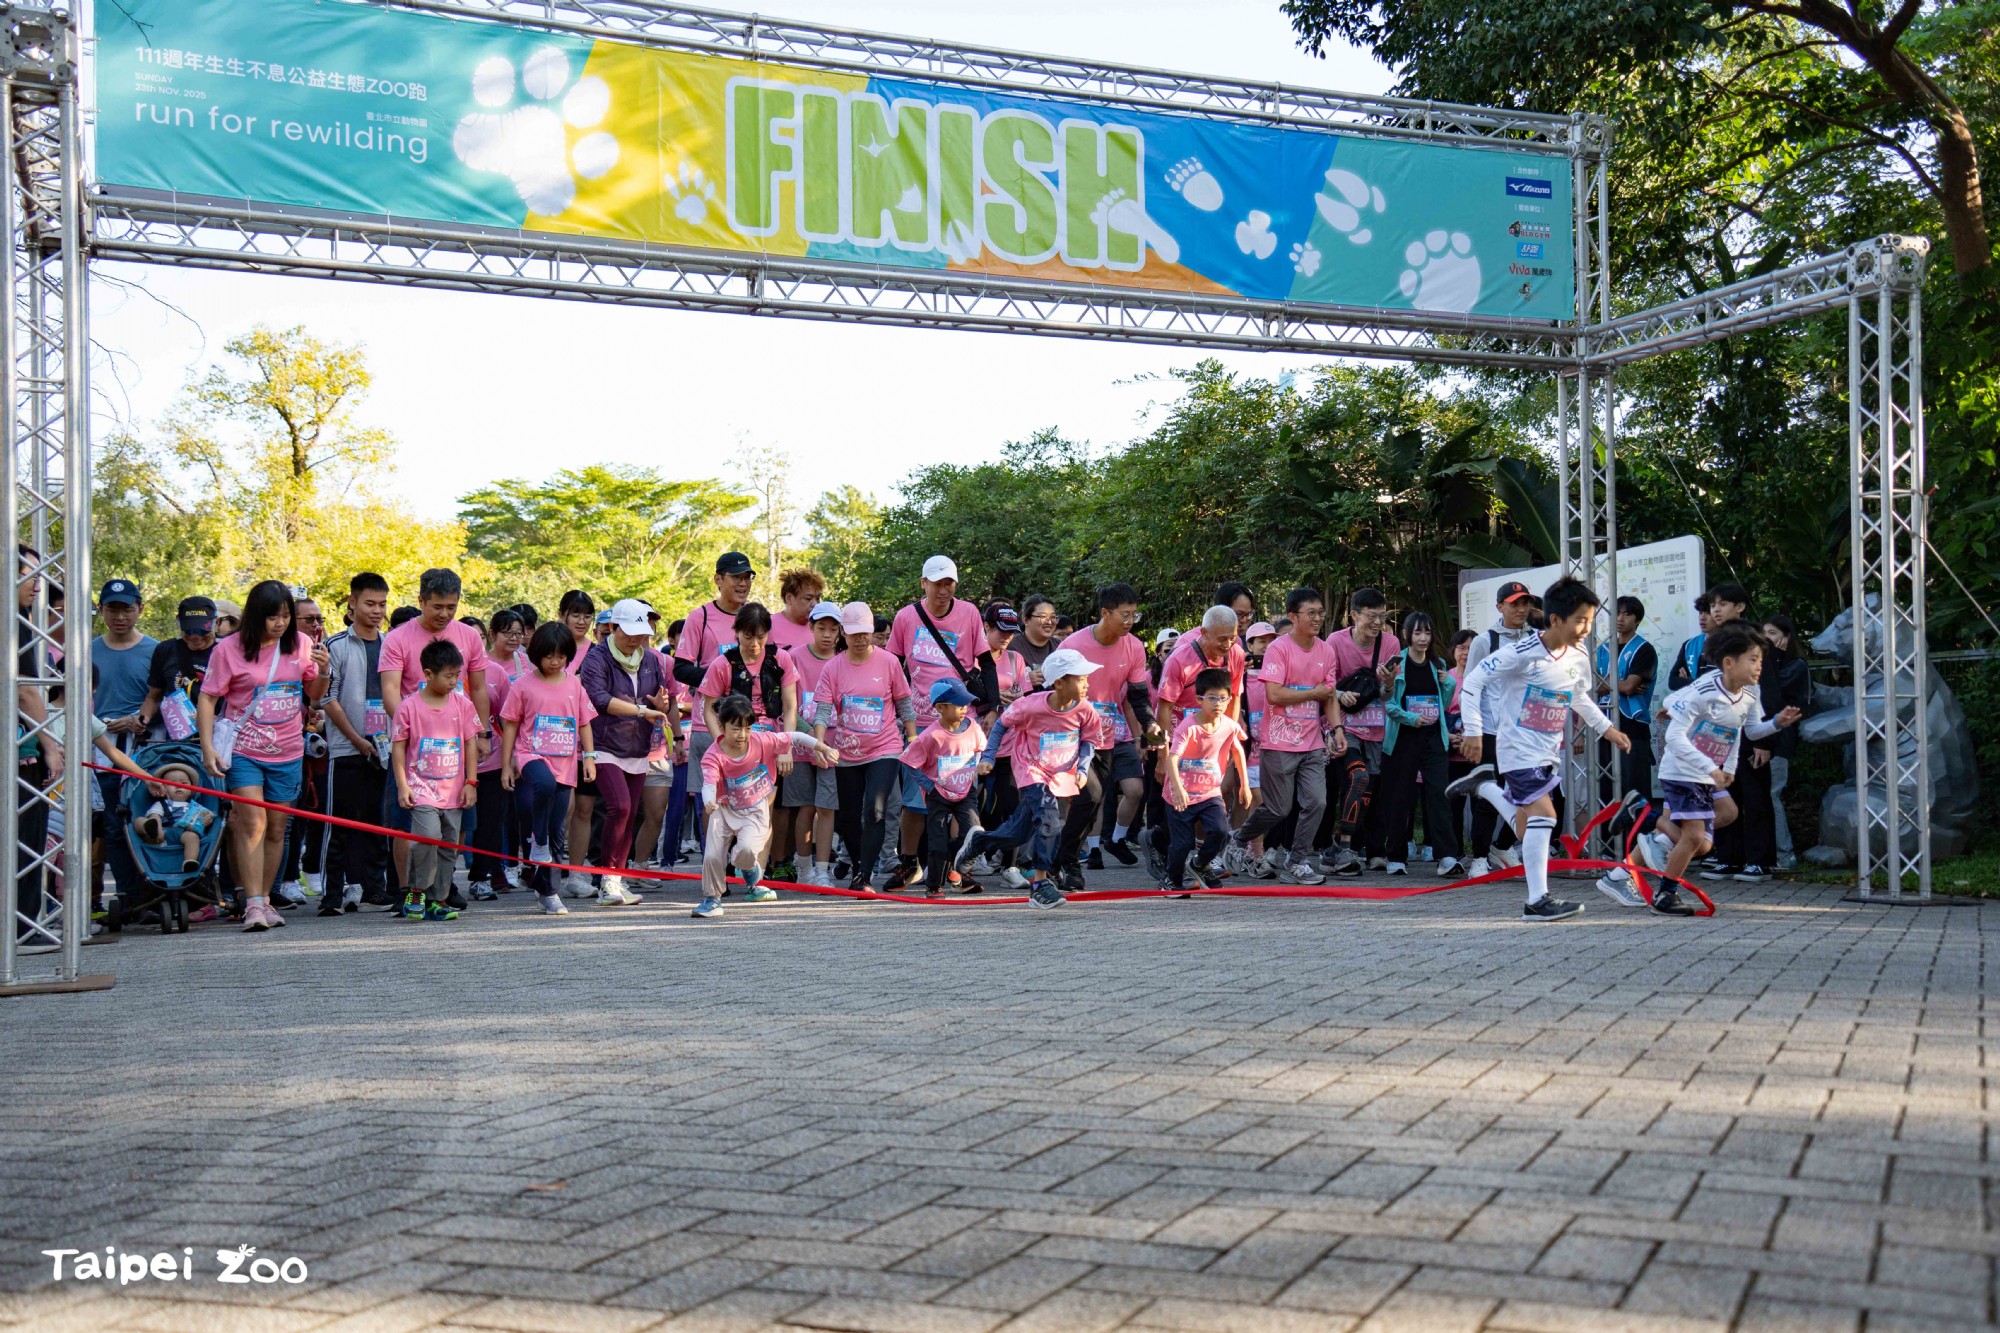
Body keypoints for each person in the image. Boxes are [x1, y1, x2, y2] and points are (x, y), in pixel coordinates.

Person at [1449, 576, 1630, 923]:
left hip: (1548, 752)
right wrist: (1473, 730)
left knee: (1525, 829)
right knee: (1546, 816)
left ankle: (1485, 787)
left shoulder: (1579, 656)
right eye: (1580, 620)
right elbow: (1472, 683)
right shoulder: (1519, 653)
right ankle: (1537, 901)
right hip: (1516, 750)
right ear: (1555, 619)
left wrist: (1607, 729)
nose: (1586, 629)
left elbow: (1579, 697)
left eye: (1590, 621)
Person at [1635, 621, 1800, 914]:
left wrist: (1777, 723)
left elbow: (1748, 732)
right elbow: (1674, 735)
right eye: (1753, 660)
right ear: (1728, 662)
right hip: (1683, 770)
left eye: (1761, 661)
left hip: (1708, 772)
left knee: (1725, 817)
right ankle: (1665, 895)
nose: (1759, 667)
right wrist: (1710, 767)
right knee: (1694, 838)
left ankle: (1646, 818)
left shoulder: (1750, 692)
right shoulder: (1704, 691)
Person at [197, 579, 329, 932]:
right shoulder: (228, 649)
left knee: (277, 827)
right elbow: (208, 698)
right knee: (252, 823)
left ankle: (266, 899)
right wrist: (208, 747)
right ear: (255, 616)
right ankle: (252, 902)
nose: (280, 623)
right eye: (272, 617)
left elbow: (314, 694)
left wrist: (324, 670)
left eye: (285, 616)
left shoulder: (301, 644)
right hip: (244, 750)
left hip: (288, 750)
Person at [955, 647, 1110, 909]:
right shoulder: (1030, 706)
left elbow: (1088, 742)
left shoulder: (1086, 710)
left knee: (1017, 834)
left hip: (1061, 775)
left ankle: (979, 842)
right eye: (1081, 679)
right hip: (1032, 771)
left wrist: (1083, 770)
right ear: (1059, 683)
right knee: (1049, 819)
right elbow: (1002, 724)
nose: (1087, 684)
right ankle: (1040, 885)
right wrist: (989, 757)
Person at [379, 569, 492, 902]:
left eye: (451, 607)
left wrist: (482, 733)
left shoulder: (469, 637)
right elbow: (390, 691)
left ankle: (443, 887)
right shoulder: (398, 638)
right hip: (414, 747)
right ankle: (408, 890)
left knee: (455, 821)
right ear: (421, 601)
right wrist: (411, 732)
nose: (444, 614)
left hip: (454, 748)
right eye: (437, 606)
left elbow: (479, 688)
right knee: (408, 823)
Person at [885, 556, 996, 883]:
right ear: (924, 583)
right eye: (937, 583)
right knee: (914, 799)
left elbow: (987, 662)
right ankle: (909, 863)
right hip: (920, 721)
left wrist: (991, 707)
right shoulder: (906, 617)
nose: (943, 589)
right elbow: (892, 666)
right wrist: (894, 710)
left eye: (949, 583)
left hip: (961, 721)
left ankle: (957, 867)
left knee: (960, 796)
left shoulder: (969, 613)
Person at [1227, 588, 1345, 884]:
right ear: (1293, 616)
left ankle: (1297, 861)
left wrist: (1337, 729)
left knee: (1317, 802)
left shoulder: (1326, 651)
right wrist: (1314, 692)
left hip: (1313, 743)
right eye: (1311, 613)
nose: (1318, 618)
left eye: (1320, 612)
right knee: (1278, 808)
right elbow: (1274, 694)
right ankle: (1238, 838)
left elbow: (1329, 696)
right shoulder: (1279, 649)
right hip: (1279, 742)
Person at [693, 694, 840, 918]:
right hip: (723, 808)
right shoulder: (713, 755)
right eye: (735, 729)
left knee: (746, 852)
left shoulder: (762, 741)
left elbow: (796, 736)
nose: (742, 735)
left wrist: (822, 748)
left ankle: (750, 870)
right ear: (721, 727)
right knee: (713, 856)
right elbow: (709, 782)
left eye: (747, 728)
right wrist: (709, 800)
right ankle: (712, 899)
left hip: (754, 809)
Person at [1056, 583, 1159, 884]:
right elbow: (1054, 692)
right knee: (1091, 796)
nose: (1130, 621)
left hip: (1115, 732)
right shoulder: (1073, 645)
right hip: (1076, 734)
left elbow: (1138, 696)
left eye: (1134, 615)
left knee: (1125, 792)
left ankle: (1078, 855)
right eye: (1124, 615)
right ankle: (1073, 858)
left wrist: (1150, 728)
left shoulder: (1134, 646)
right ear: (1105, 613)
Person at [812, 602, 918, 891]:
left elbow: (904, 704)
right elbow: (823, 710)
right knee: (848, 816)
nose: (860, 639)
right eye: (853, 634)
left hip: (885, 747)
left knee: (875, 810)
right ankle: (859, 865)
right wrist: (819, 743)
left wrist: (912, 740)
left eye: (865, 633)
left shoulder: (889, 662)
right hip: (847, 752)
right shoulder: (833, 667)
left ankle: (865, 875)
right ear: (843, 633)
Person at [579, 599, 676, 907]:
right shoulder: (596, 658)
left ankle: (618, 880)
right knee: (619, 807)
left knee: (632, 814)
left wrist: (660, 705)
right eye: (630, 633)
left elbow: (658, 700)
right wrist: (642, 710)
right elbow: (598, 699)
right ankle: (607, 879)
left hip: (638, 746)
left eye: (642, 633)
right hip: (603, 745)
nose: (636, 639)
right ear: (613, 627)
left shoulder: (651, 660)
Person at [500, 622, 598, 916]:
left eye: (561, 656)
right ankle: (538, 843)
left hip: (565, 762)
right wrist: (506, 765)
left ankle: (548, 892)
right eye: (548, 656)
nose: (555, 662)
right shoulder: (522, 685)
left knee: (558, 829)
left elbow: (584, 722)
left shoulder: (574, 684)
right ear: (536, 654)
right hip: (530, 756)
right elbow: (510, 725)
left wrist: (589, 757)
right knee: (544, 785)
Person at [699, 602, 801, 870]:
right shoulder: (723, 664)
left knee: (763, 810)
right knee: (724, 808)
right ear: (736, 632)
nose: (754, 644)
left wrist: (786, 748)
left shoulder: (781, 660)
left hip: (768, 744)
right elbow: (708, 708)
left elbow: (790, 707)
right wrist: (721, 745)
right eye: (747, 636)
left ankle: (757, 875)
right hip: (732, 744)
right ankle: (718, 866)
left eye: (761, 637)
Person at [390, 640, 483, 922]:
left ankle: (438, 898)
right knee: (427, 837)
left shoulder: (463, 705)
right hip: (421, 790)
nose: (454, 681)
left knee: (449, 845)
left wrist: (471, 782)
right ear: (428, 674)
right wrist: (402, 785)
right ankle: (416, 890)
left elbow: (470, 743)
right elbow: (398, 747)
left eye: (457, 675)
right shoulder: (408, 707)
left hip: (454, 791)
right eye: (448, 676)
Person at [319, 574, 393, 913]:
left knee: (380, 821)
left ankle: (375, 888)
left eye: (382, 604)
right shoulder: (335, 645)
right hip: (347, 748)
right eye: (369, 603)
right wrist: (356, 739)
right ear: (352, 602)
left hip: (385, 748)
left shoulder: (391, 644)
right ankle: (332, 893)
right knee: (340, 823)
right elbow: (327, 698)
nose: (376, 611)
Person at [1459, 581, 1536, 878]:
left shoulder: (1536, 639)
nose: (1521, 609)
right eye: (1514, 603)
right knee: (1489, 798)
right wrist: (1473, 730)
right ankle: (1479, 858)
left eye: (1524, 603)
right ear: (1500, 606)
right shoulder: (1485, 641)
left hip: (1526, 732)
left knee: (1533, 795)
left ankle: (1502, 846)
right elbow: (1471, 687)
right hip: (1491, 731)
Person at [88, 579, 157, 910]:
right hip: (100, 752)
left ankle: (154, 895)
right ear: (100, 610)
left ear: (140, 609)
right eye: (112, 609)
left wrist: (138, 719)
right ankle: (128, 899)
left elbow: (165, 698)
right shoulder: (86, 651)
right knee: (113, 827)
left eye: (127, 609)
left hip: (145, 749)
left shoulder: (155, 650)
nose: (119, 617)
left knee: (149, 821)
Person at [1376, 611, 1459, 877]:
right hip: (1402, 740)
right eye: (1417, 633)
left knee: (1439, 796)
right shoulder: (1396, 664)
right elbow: (1389, 706)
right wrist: (1412, 718)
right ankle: (1396, 856)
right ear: (1406, 635)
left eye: (1427, 633)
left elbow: (1442, 705)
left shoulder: (1438, 663)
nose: (1423, 638)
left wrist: (1449, 685)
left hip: (1434, 740)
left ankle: (1446, 856)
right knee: (1400, 798)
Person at [1327, 587, 1402, 871]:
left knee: (1369, 791)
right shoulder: (1335, 641)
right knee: (1357, 778)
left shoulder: (1391, 643)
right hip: (1343, 726)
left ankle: (1338, 846)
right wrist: (1339, 694)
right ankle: (1346, 849)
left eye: (1382, 616)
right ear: (1354, 616)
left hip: (1378, 730)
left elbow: (1386, 695)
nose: (1377, 622)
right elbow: (1324, 685)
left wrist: (1389, 683)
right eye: (1371, 616)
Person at [1163, 667, 1255, 894]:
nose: (1218, 704)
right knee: (1183, 843)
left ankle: (1200, 864)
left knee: (1220, 831)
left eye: (1223, 698)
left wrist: (1244, 785)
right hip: (1181, 794)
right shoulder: (1189, 727)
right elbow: (1172, 758)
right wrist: (1177, 788)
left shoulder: (1229, 726)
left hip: (1209, 793)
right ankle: (1171, 880)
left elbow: (1237, 751)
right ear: (1199, 699)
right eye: (1212, 698)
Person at [899, 680, 988, 897]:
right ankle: (934, 885)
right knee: (937, 842)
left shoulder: (974, 728)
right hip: (938, 794)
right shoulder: (931, 735)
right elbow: (909, 762)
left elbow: (981, 750)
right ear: (940, 707)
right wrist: (929, 787)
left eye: (966, 703)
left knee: (973, 834)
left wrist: (979, 767)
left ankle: (959, 873)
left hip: (965, 792)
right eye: (958, 704)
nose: (964, 708)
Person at [469, 608, 530, 899]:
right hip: (454, 761)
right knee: (457, 825)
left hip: (492, 759)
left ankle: (483, 876)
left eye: (519, 633)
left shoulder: (496, 673)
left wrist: (512, 757)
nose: (514, 638)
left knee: (491, 821)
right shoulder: (447, 671)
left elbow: (509, 720)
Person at [784, 601, 844, 887]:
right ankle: (804, 868)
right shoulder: (794, 658)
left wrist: (824, 745)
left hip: (834, 746)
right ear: (811, 627)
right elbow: (788, 706)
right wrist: (812, 740)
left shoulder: (844, 659)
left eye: (833, 629)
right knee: (805, 807)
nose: (827, 635)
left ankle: (822, 870)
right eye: (821, 628)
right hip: (800, 744)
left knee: (827, 807)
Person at [973, 603, 1030, 885]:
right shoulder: (972, 658)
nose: (1006, 637)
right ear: (986, 627)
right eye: (1001, 631)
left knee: (1012, 804)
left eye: (1011, 632)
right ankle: (972, 855)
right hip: (976, 744)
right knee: (977, 803)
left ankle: (1010, 865)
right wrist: (992, 700)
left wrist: (1013, 699)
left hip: (1010, 744)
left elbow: (1026, 696)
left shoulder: (1015, 659)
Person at [1755, 615, 1811, 871]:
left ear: (1786, 638)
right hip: (1763, 735)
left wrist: (1772, 659)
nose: (1767, 639)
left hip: (1781, 740)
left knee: (1772, 793)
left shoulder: (1796, 666)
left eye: (1772, 633)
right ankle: (1767, 853)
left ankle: (1784, 855)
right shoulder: (1770, 663)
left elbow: (1771, 689)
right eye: (1763, 634)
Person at [1596, 595, 1657, 806]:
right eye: (1617, 613)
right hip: (1604, 726)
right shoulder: (1602, 649)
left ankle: (1641, 829)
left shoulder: (1644, 649)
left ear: (1637, 619)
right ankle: (1609, 830)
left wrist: (1606, 683)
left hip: (1632, 727)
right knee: (1606, 792)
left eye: (1627, 614)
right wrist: (1617, 684)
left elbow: (1630, 687)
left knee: (1635, 791)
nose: (1620, 618)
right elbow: (1591, 688)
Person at [140, 596, 218, 744]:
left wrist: (214, 719)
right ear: (179, 622)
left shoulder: (226, 651)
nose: (195, 636)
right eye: (189, 630)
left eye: (202, 630)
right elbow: (153, 697)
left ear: (216, 623)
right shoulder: (165, 650)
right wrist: (143, 719)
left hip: (217, 737)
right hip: (177, 739)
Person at [133, 761, 215, 874]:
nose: (178, 786)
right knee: (139, 820)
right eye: (172, 783)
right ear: (162, 788)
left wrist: (207, 821)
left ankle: (190, 860)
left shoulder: (195, 806)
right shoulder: (162, 804)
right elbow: (155, 815)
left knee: (192, 837)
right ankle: (150, 828)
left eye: (184, 783)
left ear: (192, 789)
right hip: (162, 831)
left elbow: (205, 819)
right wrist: (157, 829)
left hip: (183, 833)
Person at [768, 568, 825, 659]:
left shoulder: (824, 627)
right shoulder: (767, 626)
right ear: (789, 598)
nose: (815, 604)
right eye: (808, 598)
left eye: (817, 598)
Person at [1009, 594, 1061, 690]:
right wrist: (1024, 681)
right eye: (1042, 616)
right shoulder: (1011, 647)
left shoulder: (1060, 647)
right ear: (1026, 620)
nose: (1049, 622)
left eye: (1053, 617)